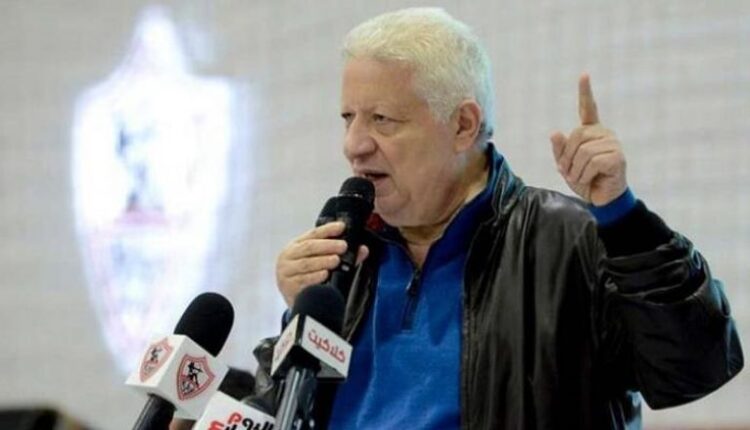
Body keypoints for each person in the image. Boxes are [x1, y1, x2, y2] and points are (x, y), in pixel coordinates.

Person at [252, 7, 743, 429]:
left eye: (382, 119)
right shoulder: (346, 259)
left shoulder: (567, 239)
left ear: (463, 125)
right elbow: (283, 412)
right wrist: (300, 315)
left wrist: (621, 216)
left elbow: (694, 368)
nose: (354, 145)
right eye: (348, 118)